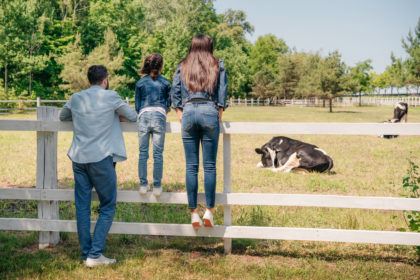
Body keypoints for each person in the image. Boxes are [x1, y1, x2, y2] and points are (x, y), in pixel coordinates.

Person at [59, 65, 137, 267]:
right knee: (108, 206)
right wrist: (113, 114)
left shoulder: (77, 98)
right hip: (101, 158)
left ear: (89, 80)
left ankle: (86, 253)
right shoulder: (110, 96)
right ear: (105, 79)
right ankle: (95, 255)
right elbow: (132, 116)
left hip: (78, 158)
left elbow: (63, 117)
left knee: (82, 208)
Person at [170, 35, 228, 229]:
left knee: (191, 167)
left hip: (188, 112)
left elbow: (175, 92)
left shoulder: (183, 65)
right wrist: (218, 114)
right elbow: (222, 92)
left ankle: (194, 213)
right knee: (209, 166)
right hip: (209, 111)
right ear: (209, 46)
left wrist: (180, 112)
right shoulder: (217, 64)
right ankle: (209, 211)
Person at [135, 53, 171, 196]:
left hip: (143, 115)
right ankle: (157, 186)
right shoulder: (166, 83)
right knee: (158, 154)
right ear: (161, 66)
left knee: (143, 153)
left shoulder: (140, 83)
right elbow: (169, 104)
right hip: (159, 117)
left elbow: (137, 106)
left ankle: (143, 184)